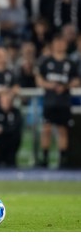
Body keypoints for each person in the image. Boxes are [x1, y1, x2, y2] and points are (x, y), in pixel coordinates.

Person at [36, 34, 80, 168]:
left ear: (65, 45)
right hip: (49, 101)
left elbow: (76, 80)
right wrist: (50, 85)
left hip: (64, 102)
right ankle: (44, 158)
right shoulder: (46, 61)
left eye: (62, 42)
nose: (60, 45)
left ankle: (63, 159)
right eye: (57, 42)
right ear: (53, 44)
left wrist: (65, 86)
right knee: (46, 129)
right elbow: (38, 78)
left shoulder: (70, 63)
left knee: (62, 130)